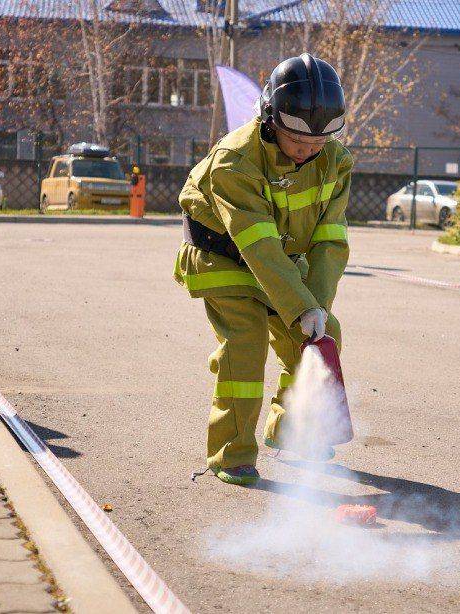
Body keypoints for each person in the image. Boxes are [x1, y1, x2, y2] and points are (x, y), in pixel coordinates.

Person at [174, 54, 352, 486]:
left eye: (318, 143)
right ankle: (231, 454)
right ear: (270, 119)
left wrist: (315, 308)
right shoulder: (235, 160)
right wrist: (299, 304)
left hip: (281, 263)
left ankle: (291, 431)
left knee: (318, 336)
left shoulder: (335, 160)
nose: (309, 150)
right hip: (225, 259)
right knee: (246, 345)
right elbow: (257, 245)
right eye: (297, 141)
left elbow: (330, 241)